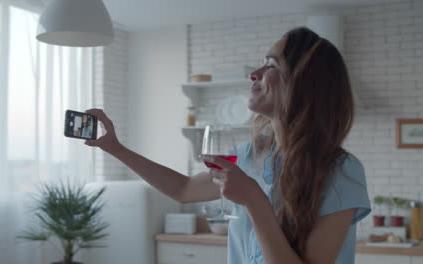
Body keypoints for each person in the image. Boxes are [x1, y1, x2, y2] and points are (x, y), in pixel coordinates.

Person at [84, 27, 371, 264]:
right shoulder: (250, 154)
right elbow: (183, 190)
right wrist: (115, 148)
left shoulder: (341, 171)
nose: (254, 73)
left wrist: (254, 200)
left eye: (271, 65)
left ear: (304, 83)